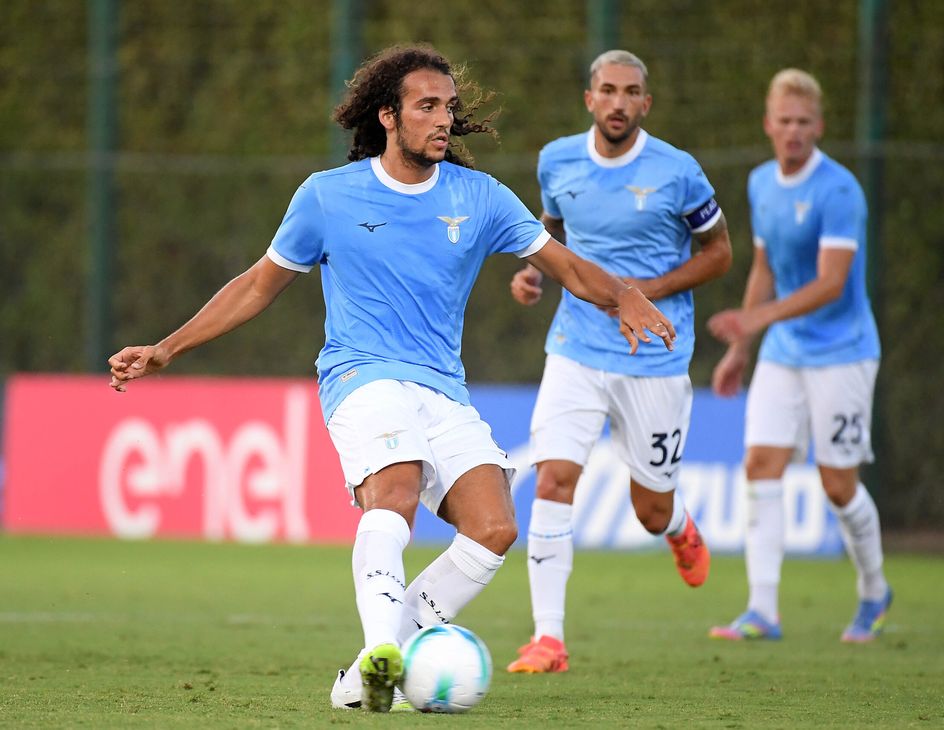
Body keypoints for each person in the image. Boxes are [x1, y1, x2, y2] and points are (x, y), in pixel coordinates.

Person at [107, 44, 676, 712]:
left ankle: (364, 677)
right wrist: (167, 348)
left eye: (449, 108)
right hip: (362, 376)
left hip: (442, 387)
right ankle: (383, 646)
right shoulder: (327, 196)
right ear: (387, 116)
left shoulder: (480, 197)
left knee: (494, 526)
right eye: (427, 106)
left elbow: (567, 267)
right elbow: (258, 287)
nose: (443, 119)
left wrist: (625, 297)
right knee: (397, 487)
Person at [505, 50, 732, 674]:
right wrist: (531, 276)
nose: (618, 102)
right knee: (554, 478)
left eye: (631, 92)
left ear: (645, 104)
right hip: (575, 349)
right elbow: (549, 243)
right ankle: (547, 639)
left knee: (650, 508)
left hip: (655, 356)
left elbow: (719, 255)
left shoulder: (679, 172)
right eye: (607, 90)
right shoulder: (556, 161)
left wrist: (641, 293)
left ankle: (681, 526)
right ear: (589, 99)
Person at [706, 68, 891, 643]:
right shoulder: (763, 183)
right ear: (768, 124)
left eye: (803, 123)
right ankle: (763, 610)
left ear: (819, 127)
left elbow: (832, 283)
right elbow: (764, 266)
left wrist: (757, 319)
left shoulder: (839, 191)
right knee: (761, 465)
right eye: (783, 121)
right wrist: (742, 348)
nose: (793, 132)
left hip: (842, 352)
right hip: (784, 352)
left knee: (838, 484)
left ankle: (873, 591)